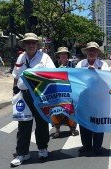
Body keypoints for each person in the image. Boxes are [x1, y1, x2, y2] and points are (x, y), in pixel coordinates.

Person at [10, 33, 56, 167]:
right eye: (28, 43)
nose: (30, 45)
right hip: (23, 95)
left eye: (33, 43)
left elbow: (52, 74)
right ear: (24, 45)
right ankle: (22, 153)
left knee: (41, 123)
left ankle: (42, 149)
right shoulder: (21, 57)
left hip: (39, 95)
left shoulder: (45, 57)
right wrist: (14, 89)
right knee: (23, 124)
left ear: (37, 45)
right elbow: (16, 75)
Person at [75, 42, 110, 155]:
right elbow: (76, 78)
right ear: (86, 52)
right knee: (84, 121)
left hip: (99, 98)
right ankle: (86, 145)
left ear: (97, 52)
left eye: (94, 50)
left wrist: (95, 71)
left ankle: (97, 146)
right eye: (90, 50)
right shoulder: (80, 64)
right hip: (84, 97)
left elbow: (107, 79)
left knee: (98, 121)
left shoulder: (103, 64)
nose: (92, 52)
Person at [51, 47, 79, 138]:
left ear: (67, 55)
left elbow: (76, 76)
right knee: (56, 110)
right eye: (61, 54)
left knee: (70, 109)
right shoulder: (53, 65)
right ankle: (57, 130)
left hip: (69, 90)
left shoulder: (72, 65)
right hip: (57, 91)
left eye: (65, 54)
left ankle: (72, 129)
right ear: (58, 55)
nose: (63, 55)